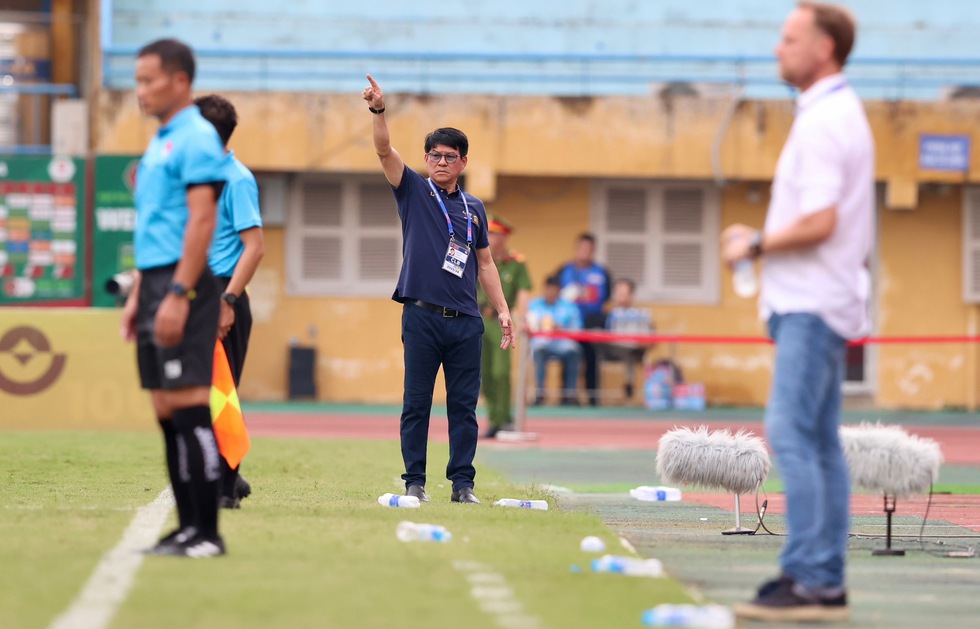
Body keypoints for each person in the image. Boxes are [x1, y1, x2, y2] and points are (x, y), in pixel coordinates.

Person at [723, 3, 873, 622]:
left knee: (791, 435)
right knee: (817, 442)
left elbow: (821, 221)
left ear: (825, 48)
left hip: (812, 304)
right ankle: (822, 579)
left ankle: (810, 578)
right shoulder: (834, 113)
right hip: (821, 300)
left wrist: (754, 243)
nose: (777, 49)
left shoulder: (824, 121)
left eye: (790, 39)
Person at [362, 74, 514, 505]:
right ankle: (415, 480)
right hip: (422, 315)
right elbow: (383, 150)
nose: (440, 161)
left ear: (464, 162)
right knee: (417, 404)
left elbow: (485, 263)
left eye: (449, 156)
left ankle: (463, 485)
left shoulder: (474, 208)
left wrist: (502, 310)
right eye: (434, 154)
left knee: (463, 407)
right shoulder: (412, 188)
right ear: (426, 158)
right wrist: (378, 111)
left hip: (466, 321)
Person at [119, 39, 229, 557]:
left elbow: (201, 220)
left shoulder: (197, 137)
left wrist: (180, 293)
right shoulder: (160, 139)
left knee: (189, 409)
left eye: (149, 80)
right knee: (166, 411)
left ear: (179, 81)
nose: (140, 90)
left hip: (183, 284)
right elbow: (156, 228)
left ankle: (207, 534)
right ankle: (187, 528)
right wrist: (140, 293)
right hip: (156, 281)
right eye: (137, 80)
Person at [194, 94, 265, 510]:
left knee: (222, 391)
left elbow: (254, 247)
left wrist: (228, 299)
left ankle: (225, 486)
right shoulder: (196, 177)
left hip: (224, 291)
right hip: (198, 290)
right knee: (199, 391)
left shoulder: (236, 179)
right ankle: (226, 477)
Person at [478, 215, 532, 438]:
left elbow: (523, 292)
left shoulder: (516, 263)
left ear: (504, 237)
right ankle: (493, 418)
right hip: (479, 320)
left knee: (501, 373)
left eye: (495, 234)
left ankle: (504, 418)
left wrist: (523, 318)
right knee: (483, 374)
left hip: (501, 322)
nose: (491, 238)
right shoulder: (477, 258)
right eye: (488, 233)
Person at [556, 233, 611, 406]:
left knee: (592, 359)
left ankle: (593, 398)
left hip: (591, 325)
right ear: (576, 248)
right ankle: (567, 397)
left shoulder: (601, 272)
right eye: (582, 248)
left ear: (593, 251)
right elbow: (557, 295)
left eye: (589, 249)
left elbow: (606, 297)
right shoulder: (564, 270)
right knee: (568, 357)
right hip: (568, 325)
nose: (585, 252)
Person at [526, 275, 583, 406]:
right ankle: (539, 394)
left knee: (575, 351)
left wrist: (561, 328)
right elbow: (529, 325)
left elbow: (578, 328)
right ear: (544, 289)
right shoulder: (534, 305)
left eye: (554, 290)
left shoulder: (570, 307)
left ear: (559, 291)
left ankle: (570, 395)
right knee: (538, 351)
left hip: (563, 344)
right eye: (548, 289)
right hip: (542, 344)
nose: (551, 292)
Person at [601, 278, 653, 400]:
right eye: (618, 293)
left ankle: (632, 385)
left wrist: (643, 343)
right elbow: (606, 334)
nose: (621, 297)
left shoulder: (641, 315)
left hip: (634, 349)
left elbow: (648, 337)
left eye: (624, 293)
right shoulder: (608, 314)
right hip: (611, 348)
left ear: (631, 295)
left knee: (632, 353)